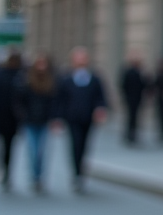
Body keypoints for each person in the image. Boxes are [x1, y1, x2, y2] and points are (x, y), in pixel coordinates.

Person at [58, 47, 108, 193]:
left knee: (85, 145)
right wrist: (58, 118)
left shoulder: (94, 78)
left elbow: (100, 97)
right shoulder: (66, 78)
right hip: (72, 118)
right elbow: (60, 99)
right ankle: (76, 173)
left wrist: (100, 109)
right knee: (75, 144)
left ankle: (81, 170)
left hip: (87, 118)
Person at [17, 54, 58, 193]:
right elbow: (20, 100)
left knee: (42, 151)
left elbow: (54, 102)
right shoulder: (27, 81)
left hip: (44, 121)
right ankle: (34, 176)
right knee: (33, 150)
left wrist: (54, 118)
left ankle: (39, 176)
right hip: (30, 121)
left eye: (43, 63)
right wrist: (22, 115)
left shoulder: (51, 82)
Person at [0, 51, 21, 190]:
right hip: (8, 116)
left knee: (8, 146)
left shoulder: (20, 76)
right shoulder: (17, 76)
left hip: (11, 118)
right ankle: (6, 170)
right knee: (8, 147)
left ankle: (6, 171)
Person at [121, 54, 146, 146]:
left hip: (135, 98)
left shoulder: (137, 72)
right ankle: (130, 135)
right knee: (131, 117)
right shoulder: (131, 72)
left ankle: (131, 134)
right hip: (132, 98)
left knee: (133, 117)